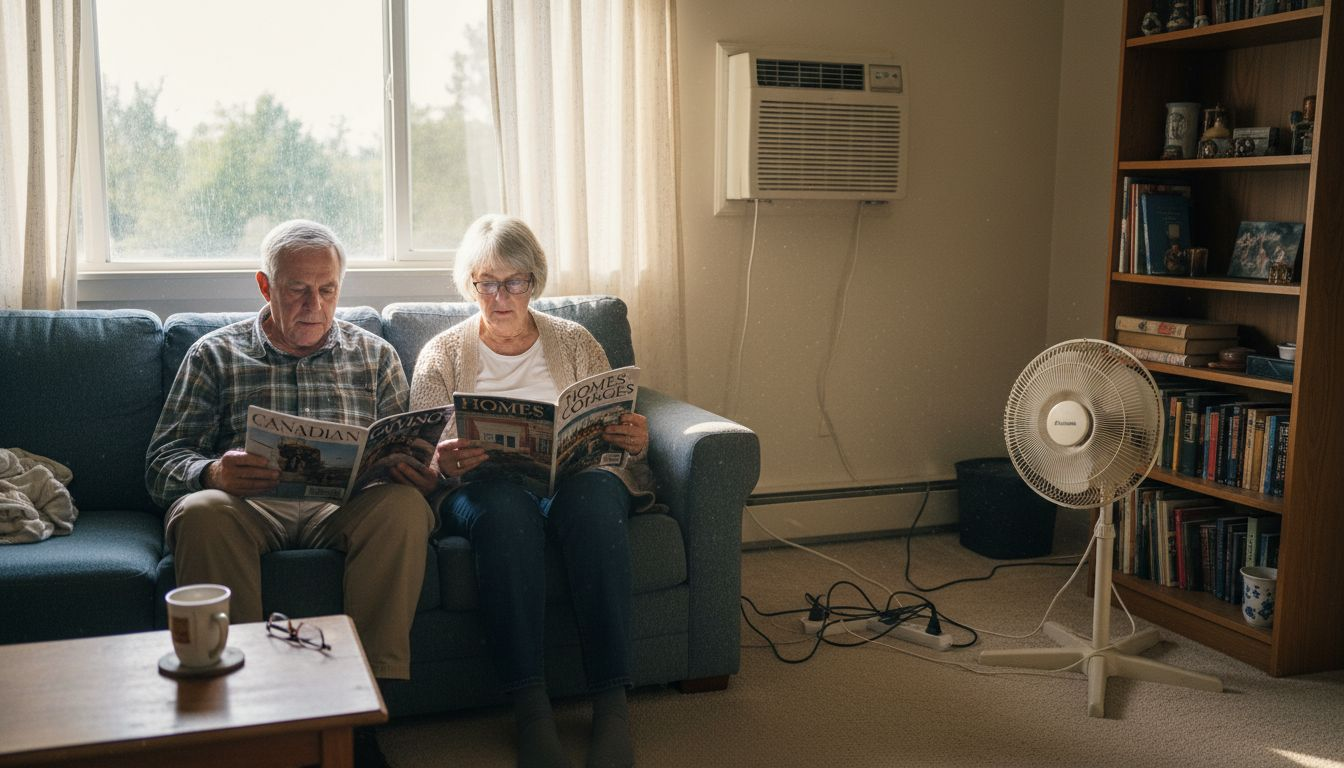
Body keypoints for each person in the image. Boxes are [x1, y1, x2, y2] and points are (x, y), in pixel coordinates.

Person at [145, 219, 437, 682]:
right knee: (200, 512)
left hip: (344, 508)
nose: (313, 305)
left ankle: (368, 696)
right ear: (265, 286)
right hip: (248, 508)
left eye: (327, 290)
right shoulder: (214, 354)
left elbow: (403, 447)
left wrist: (416, 473)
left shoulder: (375, 356)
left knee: (404, 507)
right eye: (298, 289)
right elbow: (162, 460)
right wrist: (213, 474)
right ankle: (242, 694)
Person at [411, 214, 653, 768]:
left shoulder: (575, 340)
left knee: (592, 508)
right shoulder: (442, 353)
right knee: (506, 519)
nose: (499, 296)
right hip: (485, 485)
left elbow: (613, 424)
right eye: (486, 282)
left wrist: (633, 438)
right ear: (469, 284)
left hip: (577, 476)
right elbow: (416, 451)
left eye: (513, 281)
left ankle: (612, 706)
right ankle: (531, 709)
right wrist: (443, 462)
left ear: (535, 280)